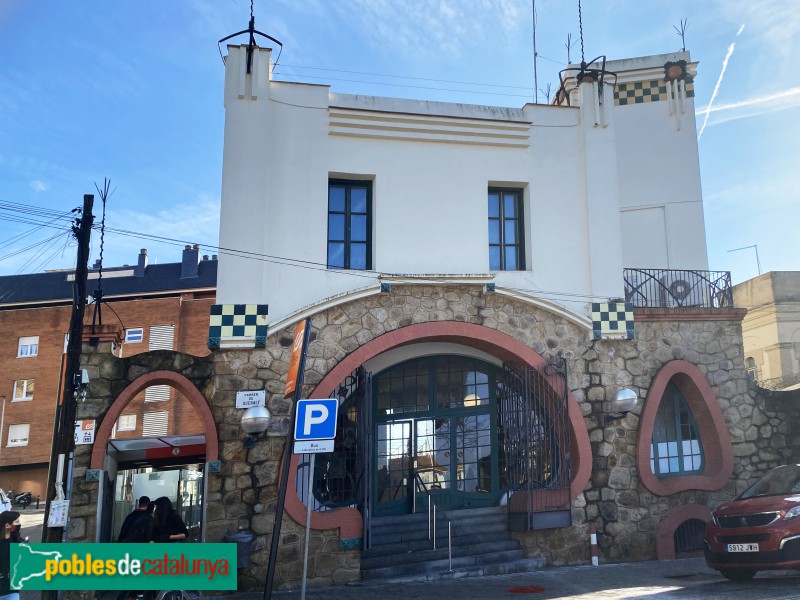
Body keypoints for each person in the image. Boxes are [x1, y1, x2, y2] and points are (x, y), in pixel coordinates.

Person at [0, 510, 21, 600]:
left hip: (11, 590)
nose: (19, 524)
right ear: (7, 525)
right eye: (16, 522)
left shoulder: (17, 541)